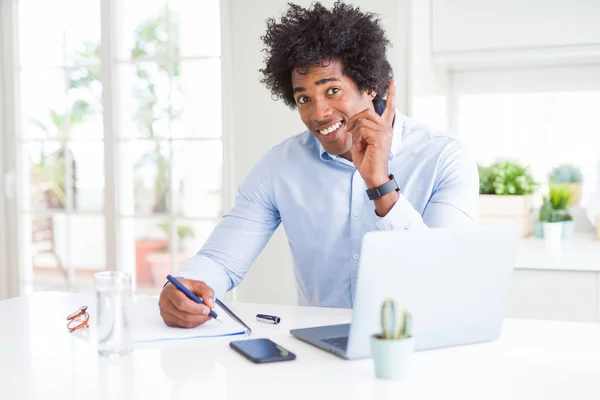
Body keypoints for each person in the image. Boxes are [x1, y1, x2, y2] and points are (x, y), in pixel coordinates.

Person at [158, 1, 479, 328]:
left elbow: (444, 280)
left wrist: (380, 184)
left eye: (333, 90)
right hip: (318, 358)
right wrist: (185, 287)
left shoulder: (444, 159)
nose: (318, 113)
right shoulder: (279, 167)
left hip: (418, 349)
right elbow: (220, 261)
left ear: (370, 85)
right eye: (304, 98)